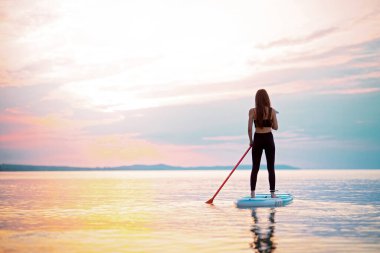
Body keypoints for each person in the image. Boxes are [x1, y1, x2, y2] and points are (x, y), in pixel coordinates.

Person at [248, 89, 278, 198]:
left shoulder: (252, 111)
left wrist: (251, 141)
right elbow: (276, 127)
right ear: (267, 98)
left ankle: (252, 193)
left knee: (255, 168)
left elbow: (249, 129)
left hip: (257, 139)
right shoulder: (272, 111)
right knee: (271, 168)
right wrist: (270, 120)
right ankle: (273, 193)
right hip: (269, 139)